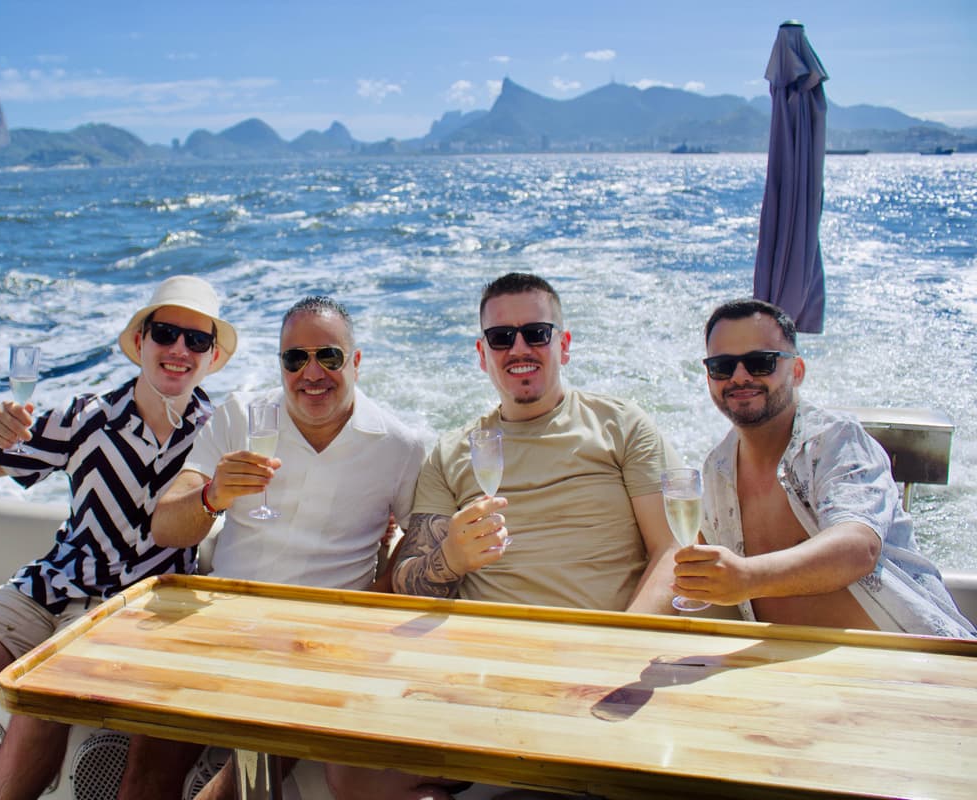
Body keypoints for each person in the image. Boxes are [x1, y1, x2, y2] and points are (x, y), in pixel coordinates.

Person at [326, 272, 680, 800]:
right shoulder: (453, 452)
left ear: (563, 343)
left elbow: (671, 550)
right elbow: (406, 582)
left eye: (536, 333)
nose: (519, 348)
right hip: (488, 670)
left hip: (603, 657)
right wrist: (449, 560)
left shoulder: (620, 426)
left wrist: (621, 649)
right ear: (482, 352)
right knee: (352, 773)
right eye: (501, 337)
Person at [0, 275, 237, 800]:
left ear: (212, 356)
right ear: (140, 344)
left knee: (37, 697)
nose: (179, 350)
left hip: (132, 611)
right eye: (166, 334)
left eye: (196, 340)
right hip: (49, 587)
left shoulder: (219, 433)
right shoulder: (87, 418)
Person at [125, 295, 427, 800]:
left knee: (235, 788)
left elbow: (417, 542)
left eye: (328, 356)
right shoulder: (242, 416)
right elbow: (166, 526)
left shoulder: (401, 446)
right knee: (144, 772)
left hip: (319, 642)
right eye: (295, 358)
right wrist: (211, 495)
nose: (312, 372)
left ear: (356, 362)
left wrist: (367, 606)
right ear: (280, 365)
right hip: (220, 620)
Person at [674, 297, 975, 637]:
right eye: (722, 366)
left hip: (908, 661)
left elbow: (857, 548)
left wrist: (747, 577)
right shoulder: (717, 469)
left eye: (760, 363)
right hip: (784, 671)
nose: (739, 377)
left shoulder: (837, 442)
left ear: (797, 371)